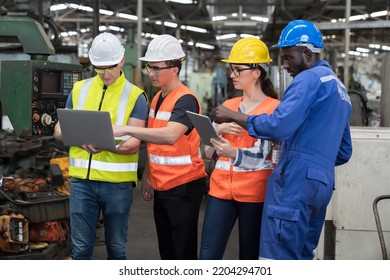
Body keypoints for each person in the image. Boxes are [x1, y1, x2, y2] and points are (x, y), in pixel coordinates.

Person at [212, 20, 353, 260]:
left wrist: (234, 115)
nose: (285, 65)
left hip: (295, 182)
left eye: (288, 58)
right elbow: (343, 152)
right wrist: (314, 159)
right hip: (322, 184)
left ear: (307, 54)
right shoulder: (340, 90)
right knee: (301, 255)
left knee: (279, 256)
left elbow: (279, 125)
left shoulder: (308, 79)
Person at [53, 32, 148, 260]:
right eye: (99, 67)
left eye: (111, 67)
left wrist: (104, 145)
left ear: (122, 60)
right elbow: (58, 131)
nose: (105, 74)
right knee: (81, 249)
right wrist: (80, 138)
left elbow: (134, 144)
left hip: (116, 186)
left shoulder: (136, 96)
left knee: (116, 248)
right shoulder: (79, 90)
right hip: (81, 183)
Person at [113, 34, 207, 260]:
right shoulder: (157, 99)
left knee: (182, 251)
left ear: (174, 69)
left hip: (184, 186)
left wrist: (127, 129)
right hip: (163, 185)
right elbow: (154, 144)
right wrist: (147, 177)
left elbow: (169, 136)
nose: (151, 73)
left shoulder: (186, 100)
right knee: (166, 249)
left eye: (157, 68)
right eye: (149, 68)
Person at [199, 37, 280, 260]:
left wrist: (232, 153)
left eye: (237, 69)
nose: (232, 74)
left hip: (255, 194)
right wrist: (218, 130)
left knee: (250, 257)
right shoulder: (229, 106)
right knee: (207, 256)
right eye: (231, 69)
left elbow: (264, 157)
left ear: (256, 72)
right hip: (220, 191)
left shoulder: (273, 110)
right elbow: (207, 152)